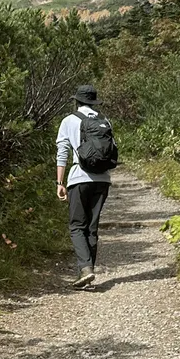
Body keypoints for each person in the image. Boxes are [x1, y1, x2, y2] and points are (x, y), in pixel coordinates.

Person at [56, 85, 115, 289]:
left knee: (76, 226)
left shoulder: (69, 120)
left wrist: (59, 183)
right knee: (92, 227)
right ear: (94, 102)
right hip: (103, 180)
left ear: (77, 101)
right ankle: (88, 271)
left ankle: (86, 269)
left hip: (79, 178)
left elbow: (62, 151)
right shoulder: (104, 121)